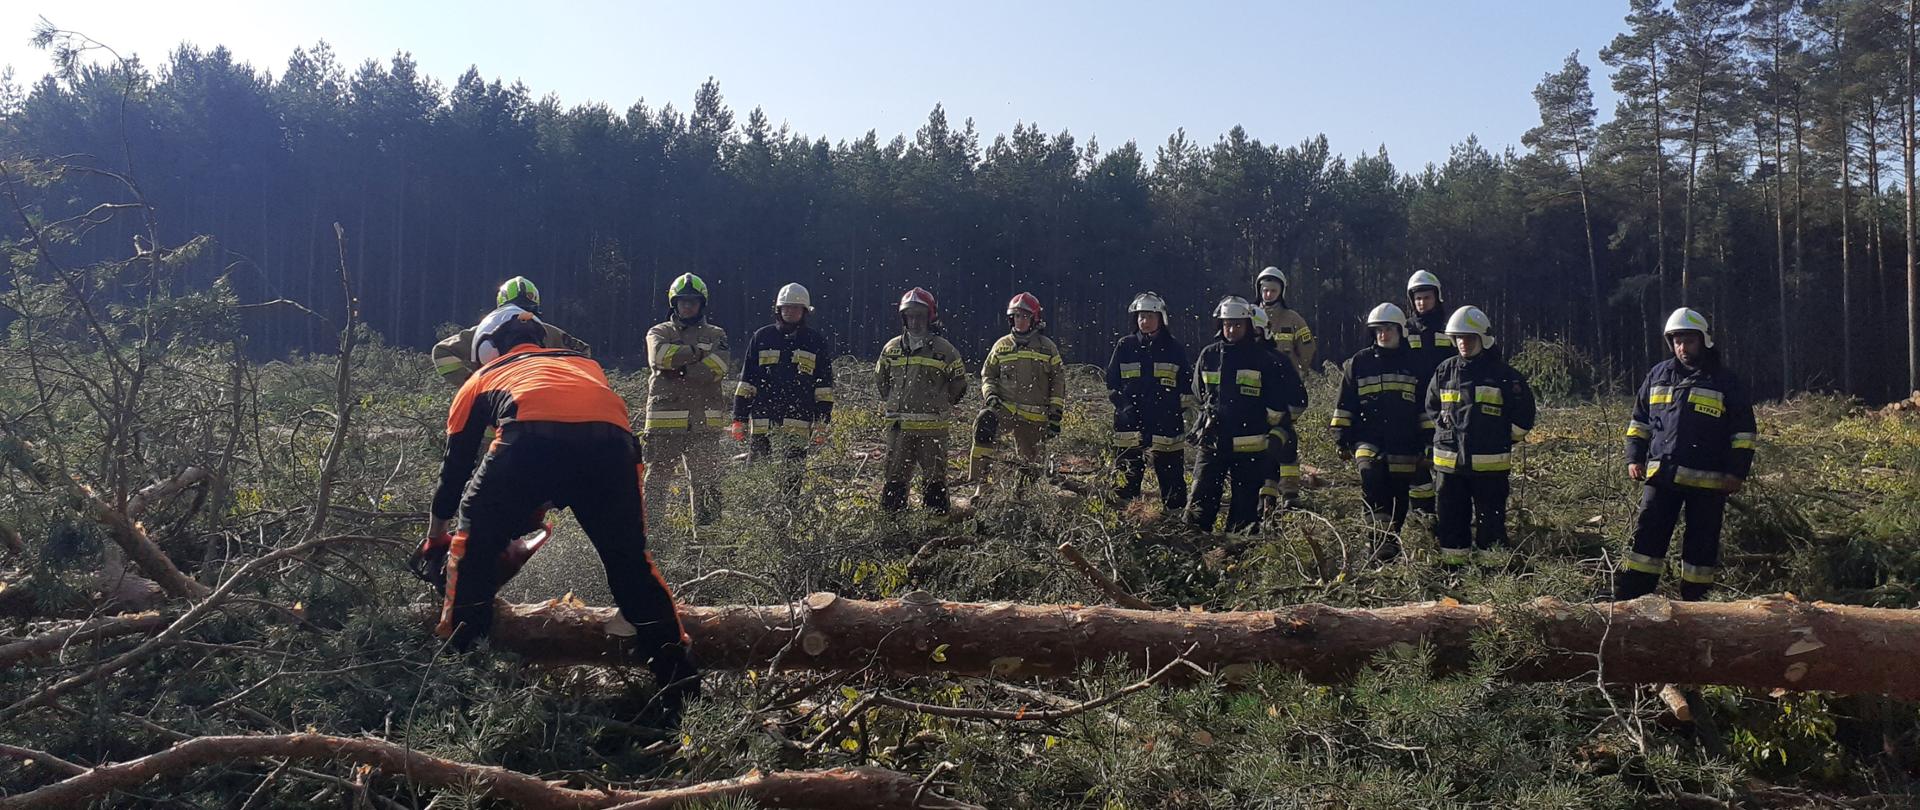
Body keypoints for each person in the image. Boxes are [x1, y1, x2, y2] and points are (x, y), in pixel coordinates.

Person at [427, 305, 696, 716]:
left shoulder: (480, 379)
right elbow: (573, 443)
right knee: (630, 562)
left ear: (485, 350)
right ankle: (682, 686)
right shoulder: (584, 365)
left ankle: (461, 668)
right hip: (614, 447)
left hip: (528, 441)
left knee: (473, 540)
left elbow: (456, 469)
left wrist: (436, 535)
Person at [1614, 308, 1757, 601]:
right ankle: (1633, 598)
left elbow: (1743, 434)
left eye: (1689, 340)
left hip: (1708, 483)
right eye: (1677, 340)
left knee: (1701, 547)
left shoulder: (1725, 382)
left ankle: (1697, 603)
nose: (1682, 347)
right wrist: (1634, 458)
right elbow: (1639, 422)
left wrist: (1736, 473)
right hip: (1661, 476)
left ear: (1704, 340)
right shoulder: (1658, 375)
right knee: (1646, 540)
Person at [1426, 305, 1535, 567]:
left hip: (1490, 468)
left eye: (1469, 337)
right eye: (1459, 338)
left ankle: (1493, 576)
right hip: (1450, 467)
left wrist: (1498, 438)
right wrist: (1445, 432)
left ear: (1483, 339)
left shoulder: (1505, 377)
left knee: (1491, 523)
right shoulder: (1445, 371)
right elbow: (1432, 407)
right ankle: (1454, 570)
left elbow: (1523, 418)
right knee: (1451, 521)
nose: (1463, 343)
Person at [1187, 296, 1302, 533]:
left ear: (1249, 326)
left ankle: (1235, 555)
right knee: (1199, 503)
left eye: (1237, 324)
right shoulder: (1209, 355)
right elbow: (1198, 393)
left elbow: (1278, 404)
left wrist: (1269, 432)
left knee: (1244, 512)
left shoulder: (1264, 359)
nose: (1231, 329)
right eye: (1227, 324)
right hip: (1212, 443)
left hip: (1249, 447)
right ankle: (1193, 547)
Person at [1330, 303, 1432, 559]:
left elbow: (1424, 408)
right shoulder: (1359, 363)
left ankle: (1392, 543)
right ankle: (1376, 541)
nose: (1383, 335)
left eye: (1388, 329)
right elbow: (1345, 403)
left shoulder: (1415, 364)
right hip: (1369, 437)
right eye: (1378, 330)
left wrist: (1428, 442)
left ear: (1400, 331)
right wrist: (1341, 437)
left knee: (1397, 493)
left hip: (1404, 440)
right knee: (1371, 478)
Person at [732, 283, 835, 497]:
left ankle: (787, 521)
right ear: (778, 310)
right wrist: (739, 418)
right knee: (757, 476)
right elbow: (747, 381)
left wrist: (822, 422)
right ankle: (757, 522)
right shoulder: (762, 337)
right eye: (786, 308)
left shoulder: (815, 341)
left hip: (799, 421)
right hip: (763, 421)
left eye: (795, 308)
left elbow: (824, 387)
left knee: (792, 478)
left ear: (804, 311)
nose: (790, 312)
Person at [643, 273, 730, 526]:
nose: (688, 306)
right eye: (683, 301)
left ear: (702, 304)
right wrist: (697, 353)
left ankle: (708, 539)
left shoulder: (716, 333)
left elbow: (718, 367)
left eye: (693, 301)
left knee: (706, 480)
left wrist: (680, 369)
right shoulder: (659, 331)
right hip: (664, 422)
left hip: (704, 422)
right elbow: (659, 356)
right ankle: (653, 537)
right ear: (674, 303)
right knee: (657, 479)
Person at [876, 287, 968, 513]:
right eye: (910, 315)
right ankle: (892, 526)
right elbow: (882, 380)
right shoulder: (892, 348)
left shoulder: (944, 350)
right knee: (894, 478)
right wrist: (895, 402)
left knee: (935, 480)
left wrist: (940, 402)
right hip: (899, 429)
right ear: (903, 317)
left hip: (932, 430)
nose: (915, 321)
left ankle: (935, 528)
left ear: (930, 317)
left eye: (920, 315)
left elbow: (959, 383)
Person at [1105, 292, 1194, 512]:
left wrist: (1171, 410)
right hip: (1129, 426)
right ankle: (1125, 525)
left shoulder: (1174, 349)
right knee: (1126, 479)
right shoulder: (1124, 346)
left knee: (1172, 480)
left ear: (1161, 318)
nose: (1144, 321)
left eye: (1149, 316)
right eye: (1140, 316)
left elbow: (1186, 387)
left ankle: (1175, 526)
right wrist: (1125, 408)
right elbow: (1112, 383)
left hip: (1166, 427)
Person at [970, 292, 1066, 497]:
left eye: (1025, 316)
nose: (1020, 321)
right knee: (985, 422)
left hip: (1034, 414)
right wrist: (991, 396)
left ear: (1035, 319)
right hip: (1004, 409)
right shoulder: (1001, 346)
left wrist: (1055, 414)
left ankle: (1021, 499)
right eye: (1016, 316)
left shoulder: (1047, 348)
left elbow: (1058, 381)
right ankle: (983, 485)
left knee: (1029, 466)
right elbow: (988, 375)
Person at [430, 276, 590, 385]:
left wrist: (471, 383)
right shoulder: (549, 333)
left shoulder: (481, 334)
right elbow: (583, 353)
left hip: (491, 415)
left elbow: (442, 352)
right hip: (538, 411)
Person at [1250, 304, 1310, 511]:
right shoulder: (1230, 359)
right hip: (1246, 431)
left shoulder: (1279, 361)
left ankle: (1289, 494)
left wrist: (1283, 423)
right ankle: (1264, 500)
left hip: (1275, 426)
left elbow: (1299, 399)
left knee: (1284, 449)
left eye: (1253, 332)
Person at [1401, 270, 1450, 515]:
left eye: (1427, 297)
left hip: (1445, 407)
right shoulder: (1405, 330)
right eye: (1418, 298)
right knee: (1416, 464)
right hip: (1412, 406)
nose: (1422, 303)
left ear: (1437, 298)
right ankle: (1423, 516)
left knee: (1444, 462)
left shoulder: (1449, 329)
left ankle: (1446, 511)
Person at [1254, 266, 1317, 376]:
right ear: (1259, 291)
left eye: (1273, 291)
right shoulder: (1250, 317)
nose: (1268, 295)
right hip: (1256, 378)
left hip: (1284, 378)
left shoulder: (1293, 319)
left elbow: (1308, 346)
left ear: (1281, 292)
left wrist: (1300, 370)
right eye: (1265, 290)